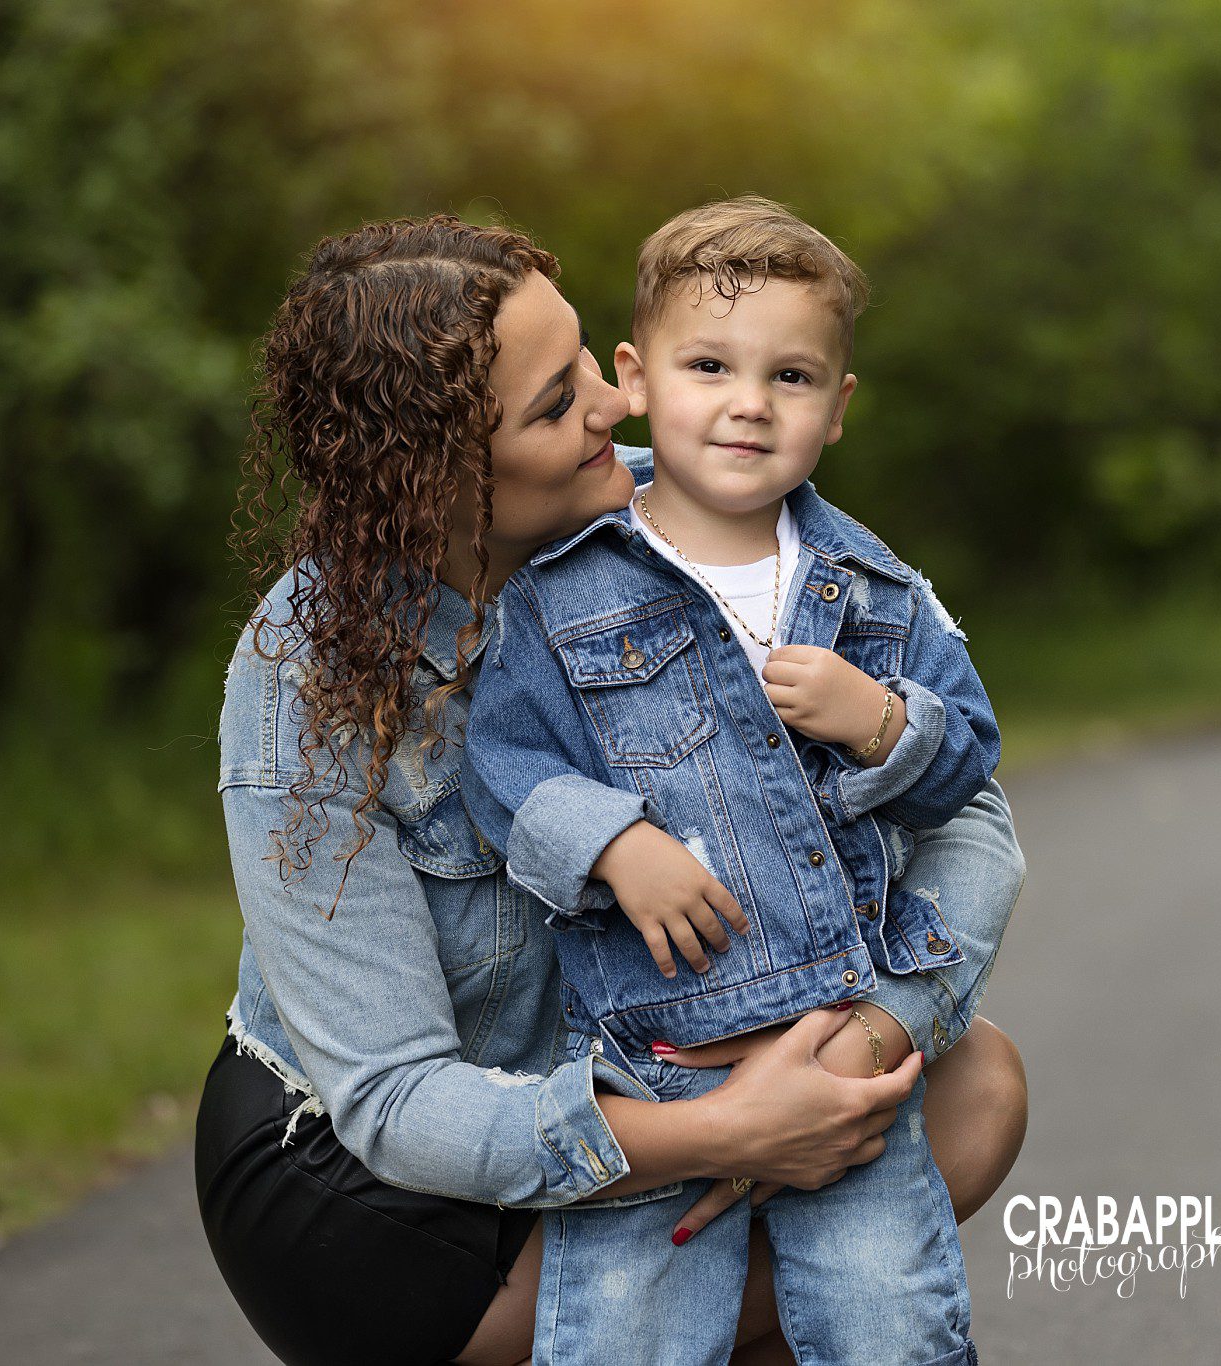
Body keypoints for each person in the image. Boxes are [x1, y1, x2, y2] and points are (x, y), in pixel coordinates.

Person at [196, 213, 1029, 1366]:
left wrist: (867, 1030)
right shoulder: (307, 680)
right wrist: (720, 1132)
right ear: (432, 480)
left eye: (588, 358)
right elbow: (393, 1102)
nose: (613, 405)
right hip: (384, 1185)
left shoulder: (686, 507)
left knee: (963, 1082)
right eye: (554, 404)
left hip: (644, 1061)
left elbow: (967, 810)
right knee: (724, 1238)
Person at [460, 198, 1001, 1365]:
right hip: (647, 1064)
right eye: (708, 365)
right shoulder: (561, 591)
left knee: (888, 1325)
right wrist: (609, 841)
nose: (748, 402)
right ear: (635, 376)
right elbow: (499, 761)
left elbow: (967, 763)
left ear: (837, 408)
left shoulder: (874, 593)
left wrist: (882, 723)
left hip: (837, 1050)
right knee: (628, 1339)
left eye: (790, 376)